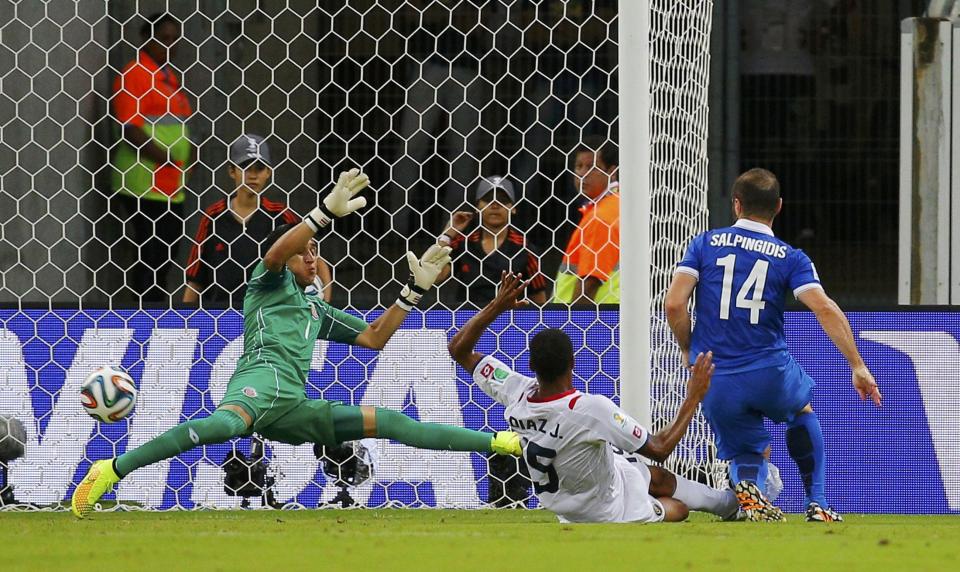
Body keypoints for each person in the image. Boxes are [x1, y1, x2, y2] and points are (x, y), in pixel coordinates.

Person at [72, 169, 521, 518]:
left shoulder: (315, 310)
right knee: (224, 428)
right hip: (258, 386)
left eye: (315, 251)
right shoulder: (264, 286)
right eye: (305, 253)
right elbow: (273, 253)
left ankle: (502, 443)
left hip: (293, 408)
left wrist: (412, 292)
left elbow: (374, 337)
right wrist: (322, 212)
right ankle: (112, 469)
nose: (313, 257)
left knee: (392, 422)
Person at [664, 168, 882, 522]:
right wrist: (857, 364)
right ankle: (818, 502)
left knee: (747, 452)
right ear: (778, 207)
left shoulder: (704, 244)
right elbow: (824, 307)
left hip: (716, 375)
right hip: (769, 369)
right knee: (800, 413)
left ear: (736, 205)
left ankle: (750, 490)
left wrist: (689, 348)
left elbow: (674, 303)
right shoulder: (790, 257)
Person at [449, 272, 741, 524]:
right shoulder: (588, 409)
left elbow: (459, 350)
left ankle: (732, 505)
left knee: (654, 476)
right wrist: (694, 395)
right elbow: (660, 447)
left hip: (583, 492)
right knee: (677, 509)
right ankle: (734, 506)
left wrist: (496, 306)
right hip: (605, 511)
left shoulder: (516, 390)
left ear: (531, 367)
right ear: (573, 363)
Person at [183, 134, 333, 307]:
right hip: (221, 317)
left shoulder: (281, 216)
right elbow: (195, 280)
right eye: (246, 168)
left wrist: (324, 307)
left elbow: (318, 261)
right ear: (232, 171)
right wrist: (185, 320)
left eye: (259, 168)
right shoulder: (213, 216)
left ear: (268, 172)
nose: (253, 175)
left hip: (268, 318)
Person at [111, 13, 194, 303]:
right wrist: (167, 159)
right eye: (163, 38)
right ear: (146, 39)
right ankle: (146, 314)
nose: (168, 45)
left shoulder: (169, 77)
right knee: (152, 253)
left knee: (166, 252)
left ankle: (154, 309)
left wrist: (187, 156)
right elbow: (129, 128)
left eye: (174, 39)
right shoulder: (134, 74)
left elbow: (177, 125)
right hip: (142, 181)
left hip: (171, 185)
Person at [436, 176, 547, 308]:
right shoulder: (464, 243)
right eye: (488, 199)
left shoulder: (525, 249)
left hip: (508, 321)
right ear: (477, 207)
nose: (495, 204)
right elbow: (436, 276)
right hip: (467, 321)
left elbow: (539, 301)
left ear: (513, 208)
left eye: (502, 200)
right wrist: (448, 233)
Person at [553, 136, 620, 305]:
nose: (582, 174)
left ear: (612, 172)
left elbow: (590, 282)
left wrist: (573, 327)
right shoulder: (615, 206)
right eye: (579, 166)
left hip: (594, 322)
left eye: (591, 167)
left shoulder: (602, 216)